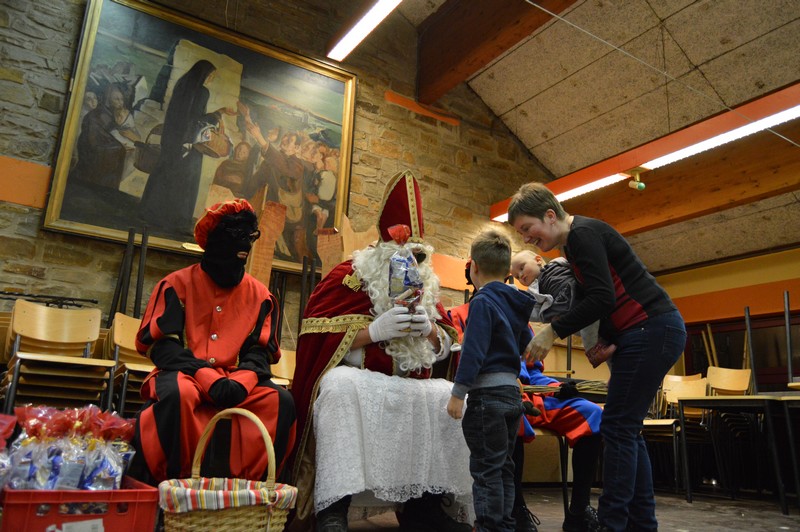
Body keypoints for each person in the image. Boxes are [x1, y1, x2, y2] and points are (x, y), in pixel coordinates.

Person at [289, 170, 472, 532]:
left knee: (446, 396)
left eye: (418, 256)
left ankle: (425, 508)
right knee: (339, 386)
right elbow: (315, 337)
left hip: (410, 386)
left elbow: (448, 346)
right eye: (403, 256)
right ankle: (333, 508)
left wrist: (431, 332)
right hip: (362, 381)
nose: (411, 264)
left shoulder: (426, 286)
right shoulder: (349, 276)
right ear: (383, 251)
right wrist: (373, 331)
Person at [508, 182, 686, 532]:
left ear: (549, 215)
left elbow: (603, 298)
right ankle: (640, 524)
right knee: (627, 431)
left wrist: (552, 331)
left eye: (527, 228)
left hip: (652, 329)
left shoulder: (582, 235)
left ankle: (612, 523)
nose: (526, 238)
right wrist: (610, 336)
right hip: (642, 333)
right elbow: (607, 296)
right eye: (521, 233)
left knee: (617, 428)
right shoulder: (575, 244)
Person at [132, 198, 296, 485]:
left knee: (279, 401)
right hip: (186, 373)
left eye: (250, 236)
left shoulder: (261, 296)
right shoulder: (175, 285)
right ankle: (174, 484)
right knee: (179, 396)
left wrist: (241, 382)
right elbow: (164, 347)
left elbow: (259, 353)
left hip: (237, 377)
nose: (245, 245)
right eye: (236, 235)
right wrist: (207, 377)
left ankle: (251, 488)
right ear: (214, 239)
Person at [449, 293, 603, 532]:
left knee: (593, 413)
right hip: (496, 394)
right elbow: (465, 361)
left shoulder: (519, 315)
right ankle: (516, 509)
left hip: (534, 395)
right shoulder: (459, 315)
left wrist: (556, 388)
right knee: (512, 417)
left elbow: (534, 370)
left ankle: (578, 511)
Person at [446, 228, 535, 532]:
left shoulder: (482, 302)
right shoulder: (516, 302)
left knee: (486, 470)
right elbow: (526, 346)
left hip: (488, 398)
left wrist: (458, 393)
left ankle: (490, 527)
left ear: (474, 267)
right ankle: (505, 526)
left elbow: (473, 351)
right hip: (511, 396)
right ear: (508, 271)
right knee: (504, 468)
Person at [139, 59, 234, 240]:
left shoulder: (182, 87)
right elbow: (197, 121)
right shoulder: (202, 92)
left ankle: (150, 213)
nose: (211, 79)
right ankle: (179, 223)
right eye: (211, 76)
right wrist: (218, 114)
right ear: (203, 75)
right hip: (190, 145)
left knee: (164, 176)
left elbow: (180, 118)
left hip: (173, 142)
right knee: (185, 184)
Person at [510, 250, 616, 367]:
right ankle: (598, 352)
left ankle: (596, 351)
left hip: (582, 301)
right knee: (596, 336)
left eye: (522, 268)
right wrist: (511, 296)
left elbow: (576, 269)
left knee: (593, 324)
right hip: (569, 314)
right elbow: (532, 310)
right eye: (517, 276)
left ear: (538, 260)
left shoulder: (556, 265)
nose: (521, 275)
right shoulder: (534, 291)